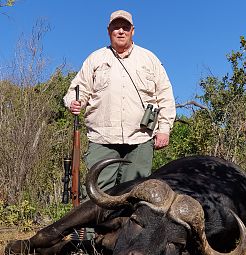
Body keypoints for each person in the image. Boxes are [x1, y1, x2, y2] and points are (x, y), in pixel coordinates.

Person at [64, 9, 176, 195]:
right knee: (96, 194)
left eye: (125, 27)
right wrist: (74, 102)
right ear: (109, 31)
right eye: (116, 28)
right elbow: (77, 89)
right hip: (102, 138)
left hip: (140, 138)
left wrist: (164, 129)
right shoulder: (95, 59)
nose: (121, 31)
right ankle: (92, 226)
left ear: (133, 31)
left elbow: (165, 95)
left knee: (134, 195)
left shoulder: (149, 59)